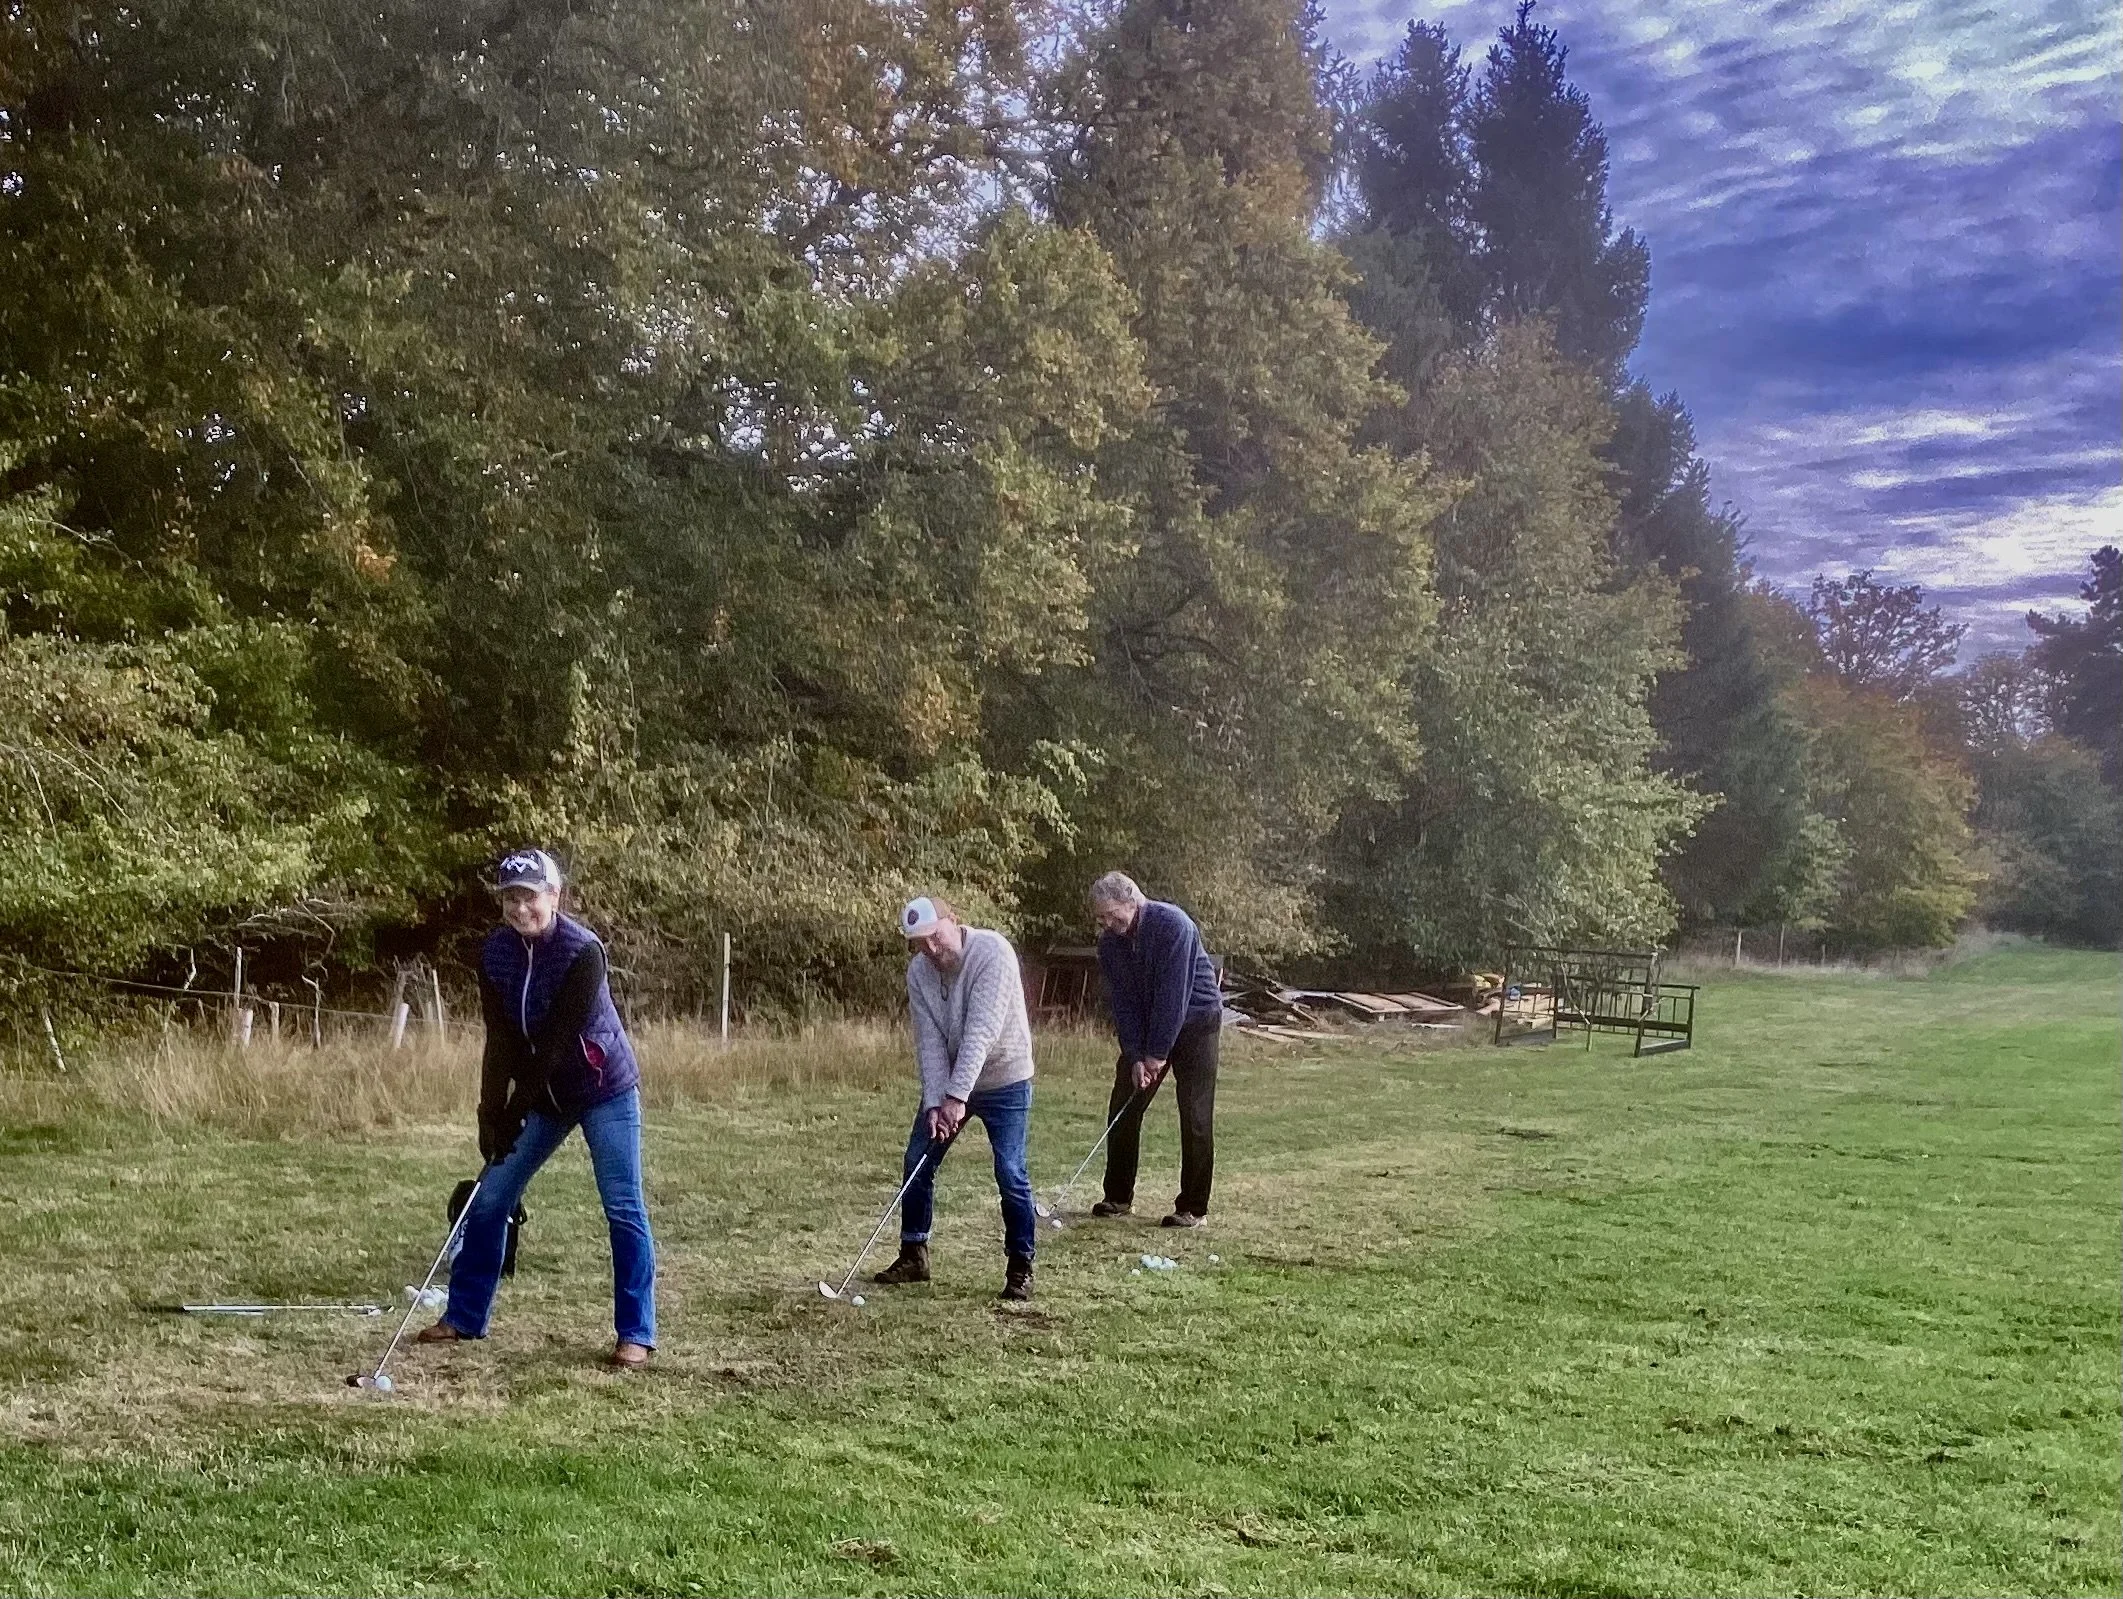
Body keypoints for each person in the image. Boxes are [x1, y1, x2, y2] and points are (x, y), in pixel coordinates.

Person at [417, 848, 657, 1367]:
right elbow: (500, 1036)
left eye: (529, 896)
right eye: (509, 898)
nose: (519, 907)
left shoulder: (581, 952)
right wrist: (488, 1110)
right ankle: (464, 1316)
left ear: (554, 896)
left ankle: (635, 1333)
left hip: (601, 1089)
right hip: (542, 1095)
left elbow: (553, 1043)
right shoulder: (496, 952)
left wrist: (513, 1110)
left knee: (622, 1207)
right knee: (489, 1198)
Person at [871, 896, 1039, 1301]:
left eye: (935, 936)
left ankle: (1021, 1266)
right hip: (950, 1087)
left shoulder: (993, 952)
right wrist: (935, 1102)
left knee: (1010, 1170)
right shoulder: (919, 973)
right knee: (917, 1159)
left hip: (1005, 1079)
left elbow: (982, 1032)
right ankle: (914, 1254)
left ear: (953, 921)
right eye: (918, 943)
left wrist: (955, 1097)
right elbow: (929, 1041)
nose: (930, 949)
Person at [1088, 871, 1223, 1228]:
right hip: (1149, 1025)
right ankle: (1118, 1197)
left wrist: (1157, 1056)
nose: (1107, 923)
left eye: (1112, 914)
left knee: (1194, 1114)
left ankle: (1193, 1208)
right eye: (1101, 918)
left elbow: (1173, 996)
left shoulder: (1173, 925)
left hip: (1197, 1021)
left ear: (1133, 900)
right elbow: (1124, 1003)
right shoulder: (1110, 944)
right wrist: (1134, 1055)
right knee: (1124, 1105)